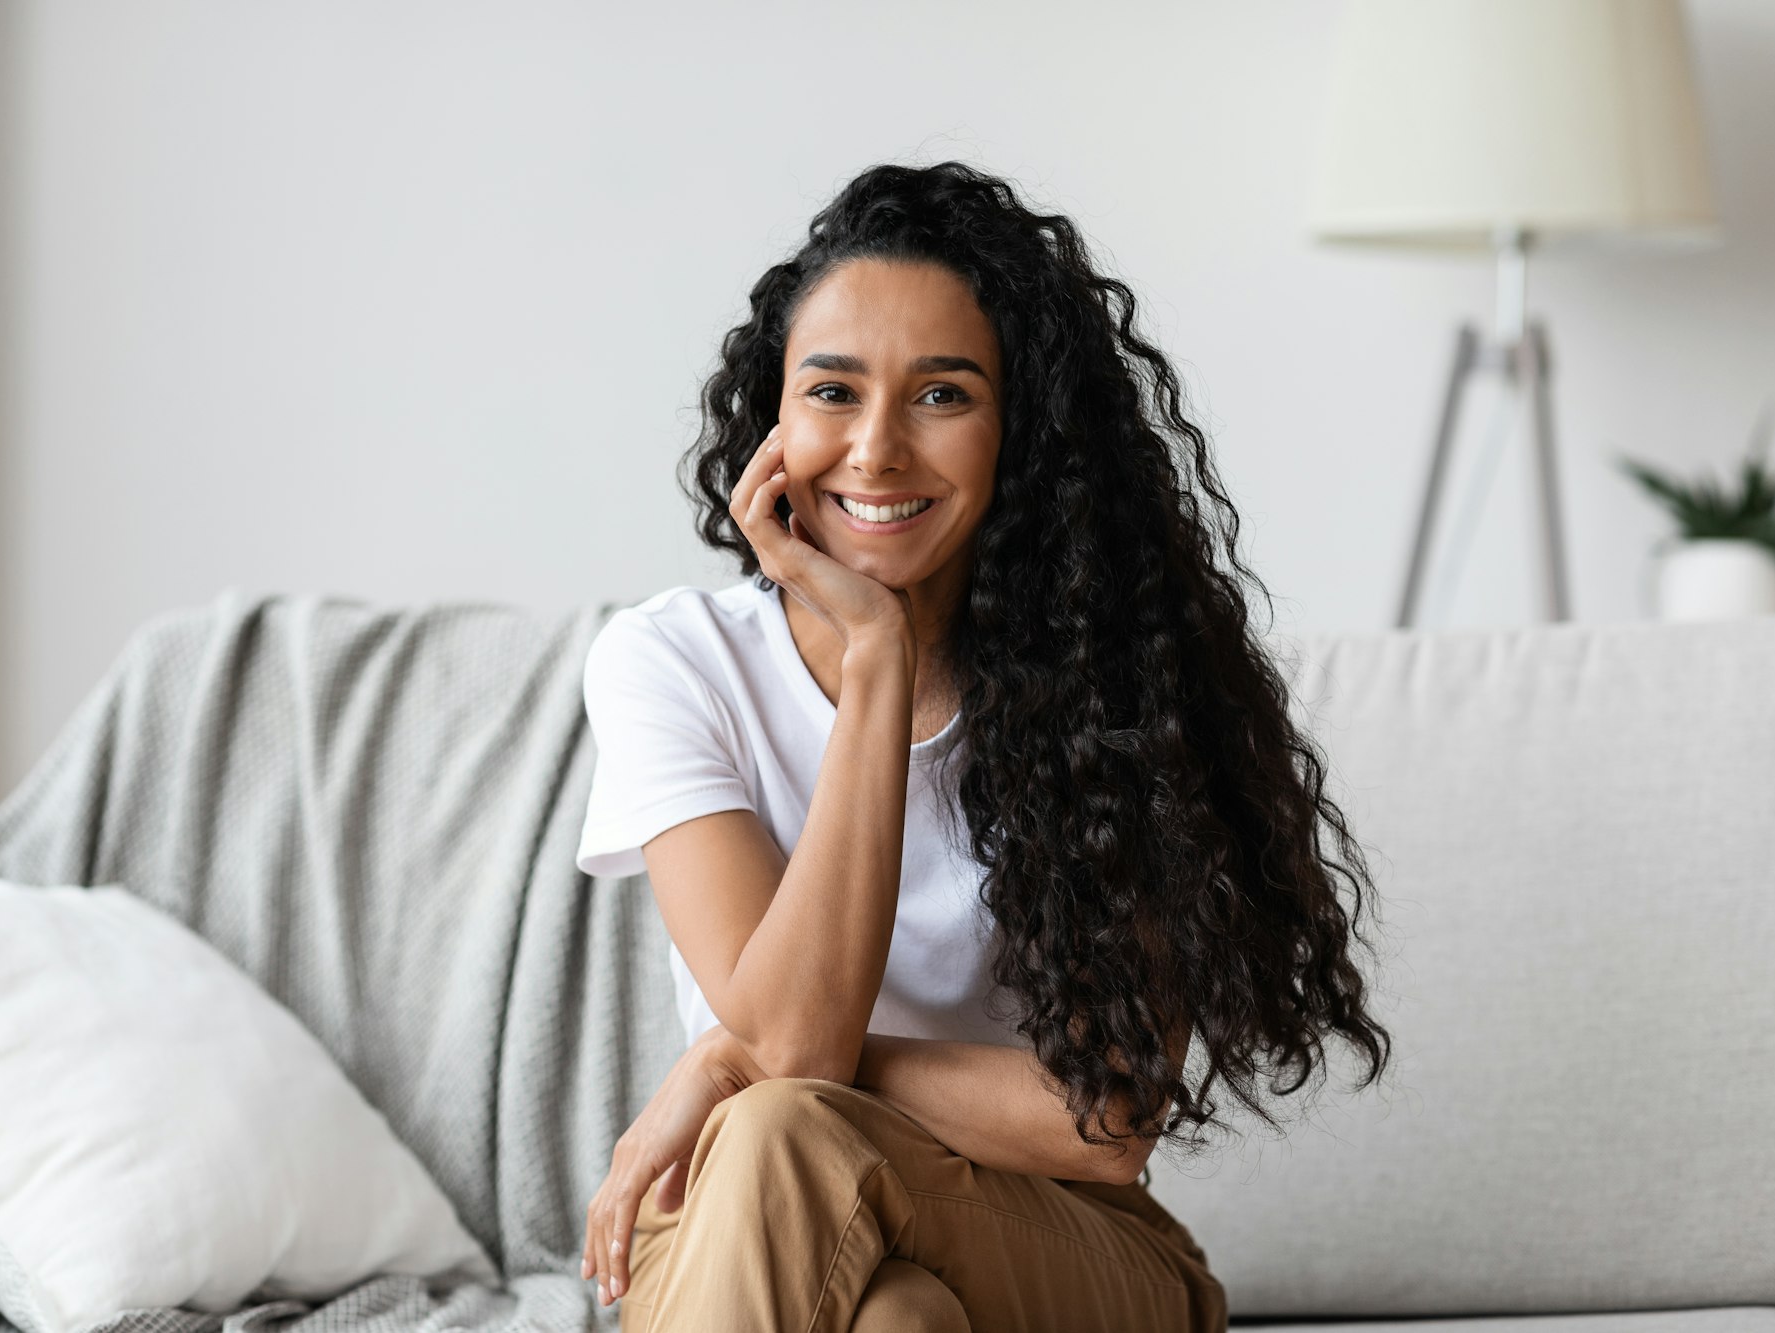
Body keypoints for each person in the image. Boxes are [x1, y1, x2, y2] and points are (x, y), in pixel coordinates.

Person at [571, 159, 1394, 1332]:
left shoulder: (1121, 684)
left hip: (1062, 1238)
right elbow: (791, 1046)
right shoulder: (671, 664)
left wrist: (722, 1065)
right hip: (732, 1224)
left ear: (1024, 432)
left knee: (775, 1117)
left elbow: (1099, 1125)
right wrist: (876, 660)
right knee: (894, 1315)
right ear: (773, 419)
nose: (876, 450)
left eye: (942, 395)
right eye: (832, 393)